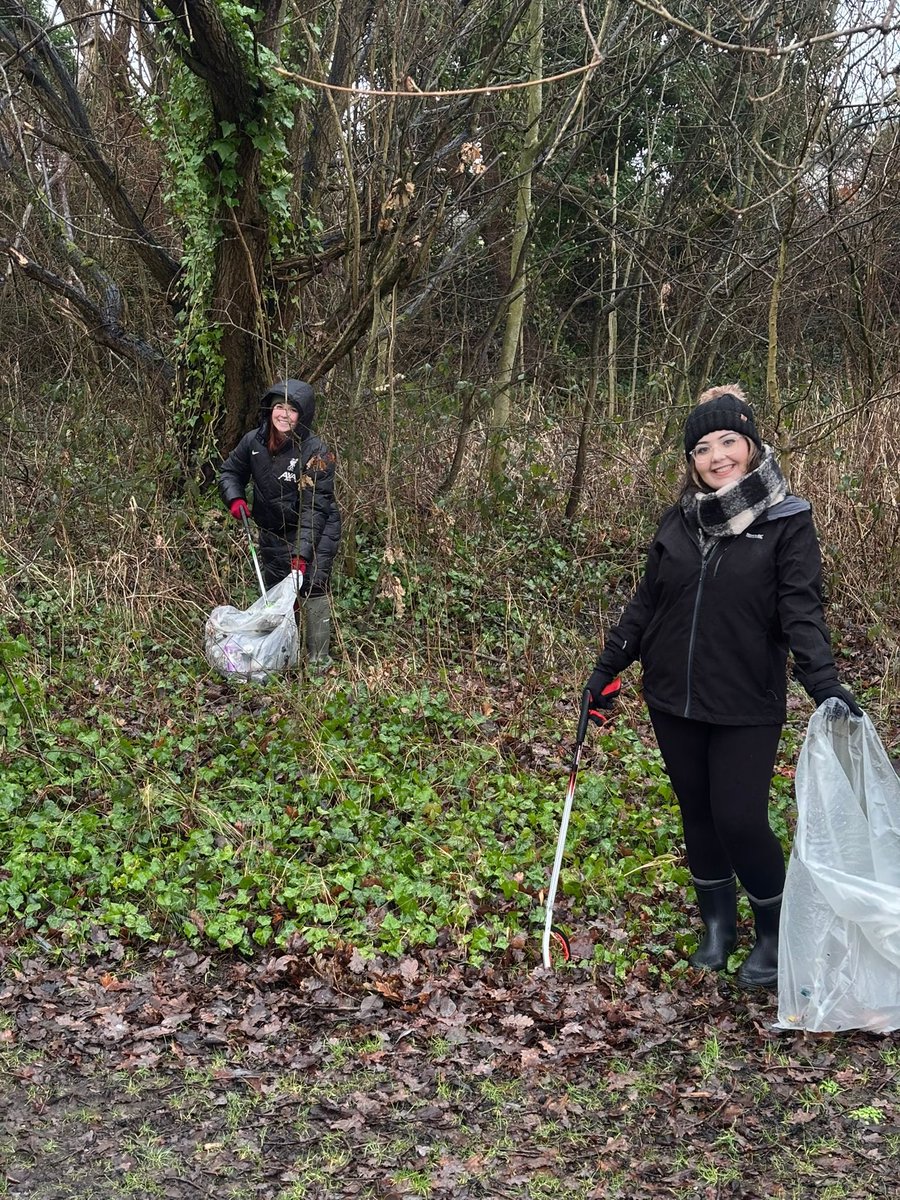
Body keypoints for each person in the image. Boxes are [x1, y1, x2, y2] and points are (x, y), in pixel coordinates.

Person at [584, 385, 861, 989]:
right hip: (672, 696)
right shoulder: (679, 521)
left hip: (745, 699)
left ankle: (772, 930)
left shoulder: (788, 520)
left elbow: (801, 613)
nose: (716, 457)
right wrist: (607, 668)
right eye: (702, 447)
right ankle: (718, 926)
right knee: (698, 812)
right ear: (691, 461)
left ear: (752, 444)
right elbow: (648, 602)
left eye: (728, 441)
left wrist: (825, 684)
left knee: (739, 817)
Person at [219, 378, 341, 669]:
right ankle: (286, 654)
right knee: (277, 590)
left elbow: (315, 509)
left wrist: (301, 554)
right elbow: (229, 472)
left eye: (292, 410)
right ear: (270, 409)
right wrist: (235, 499)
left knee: (311, 586)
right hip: (272, 529)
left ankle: (318, 661)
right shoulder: (254, 441)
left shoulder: (317, 452)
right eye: (279, 407)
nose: (284, 415)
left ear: (303, 415)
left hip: (315, 530)